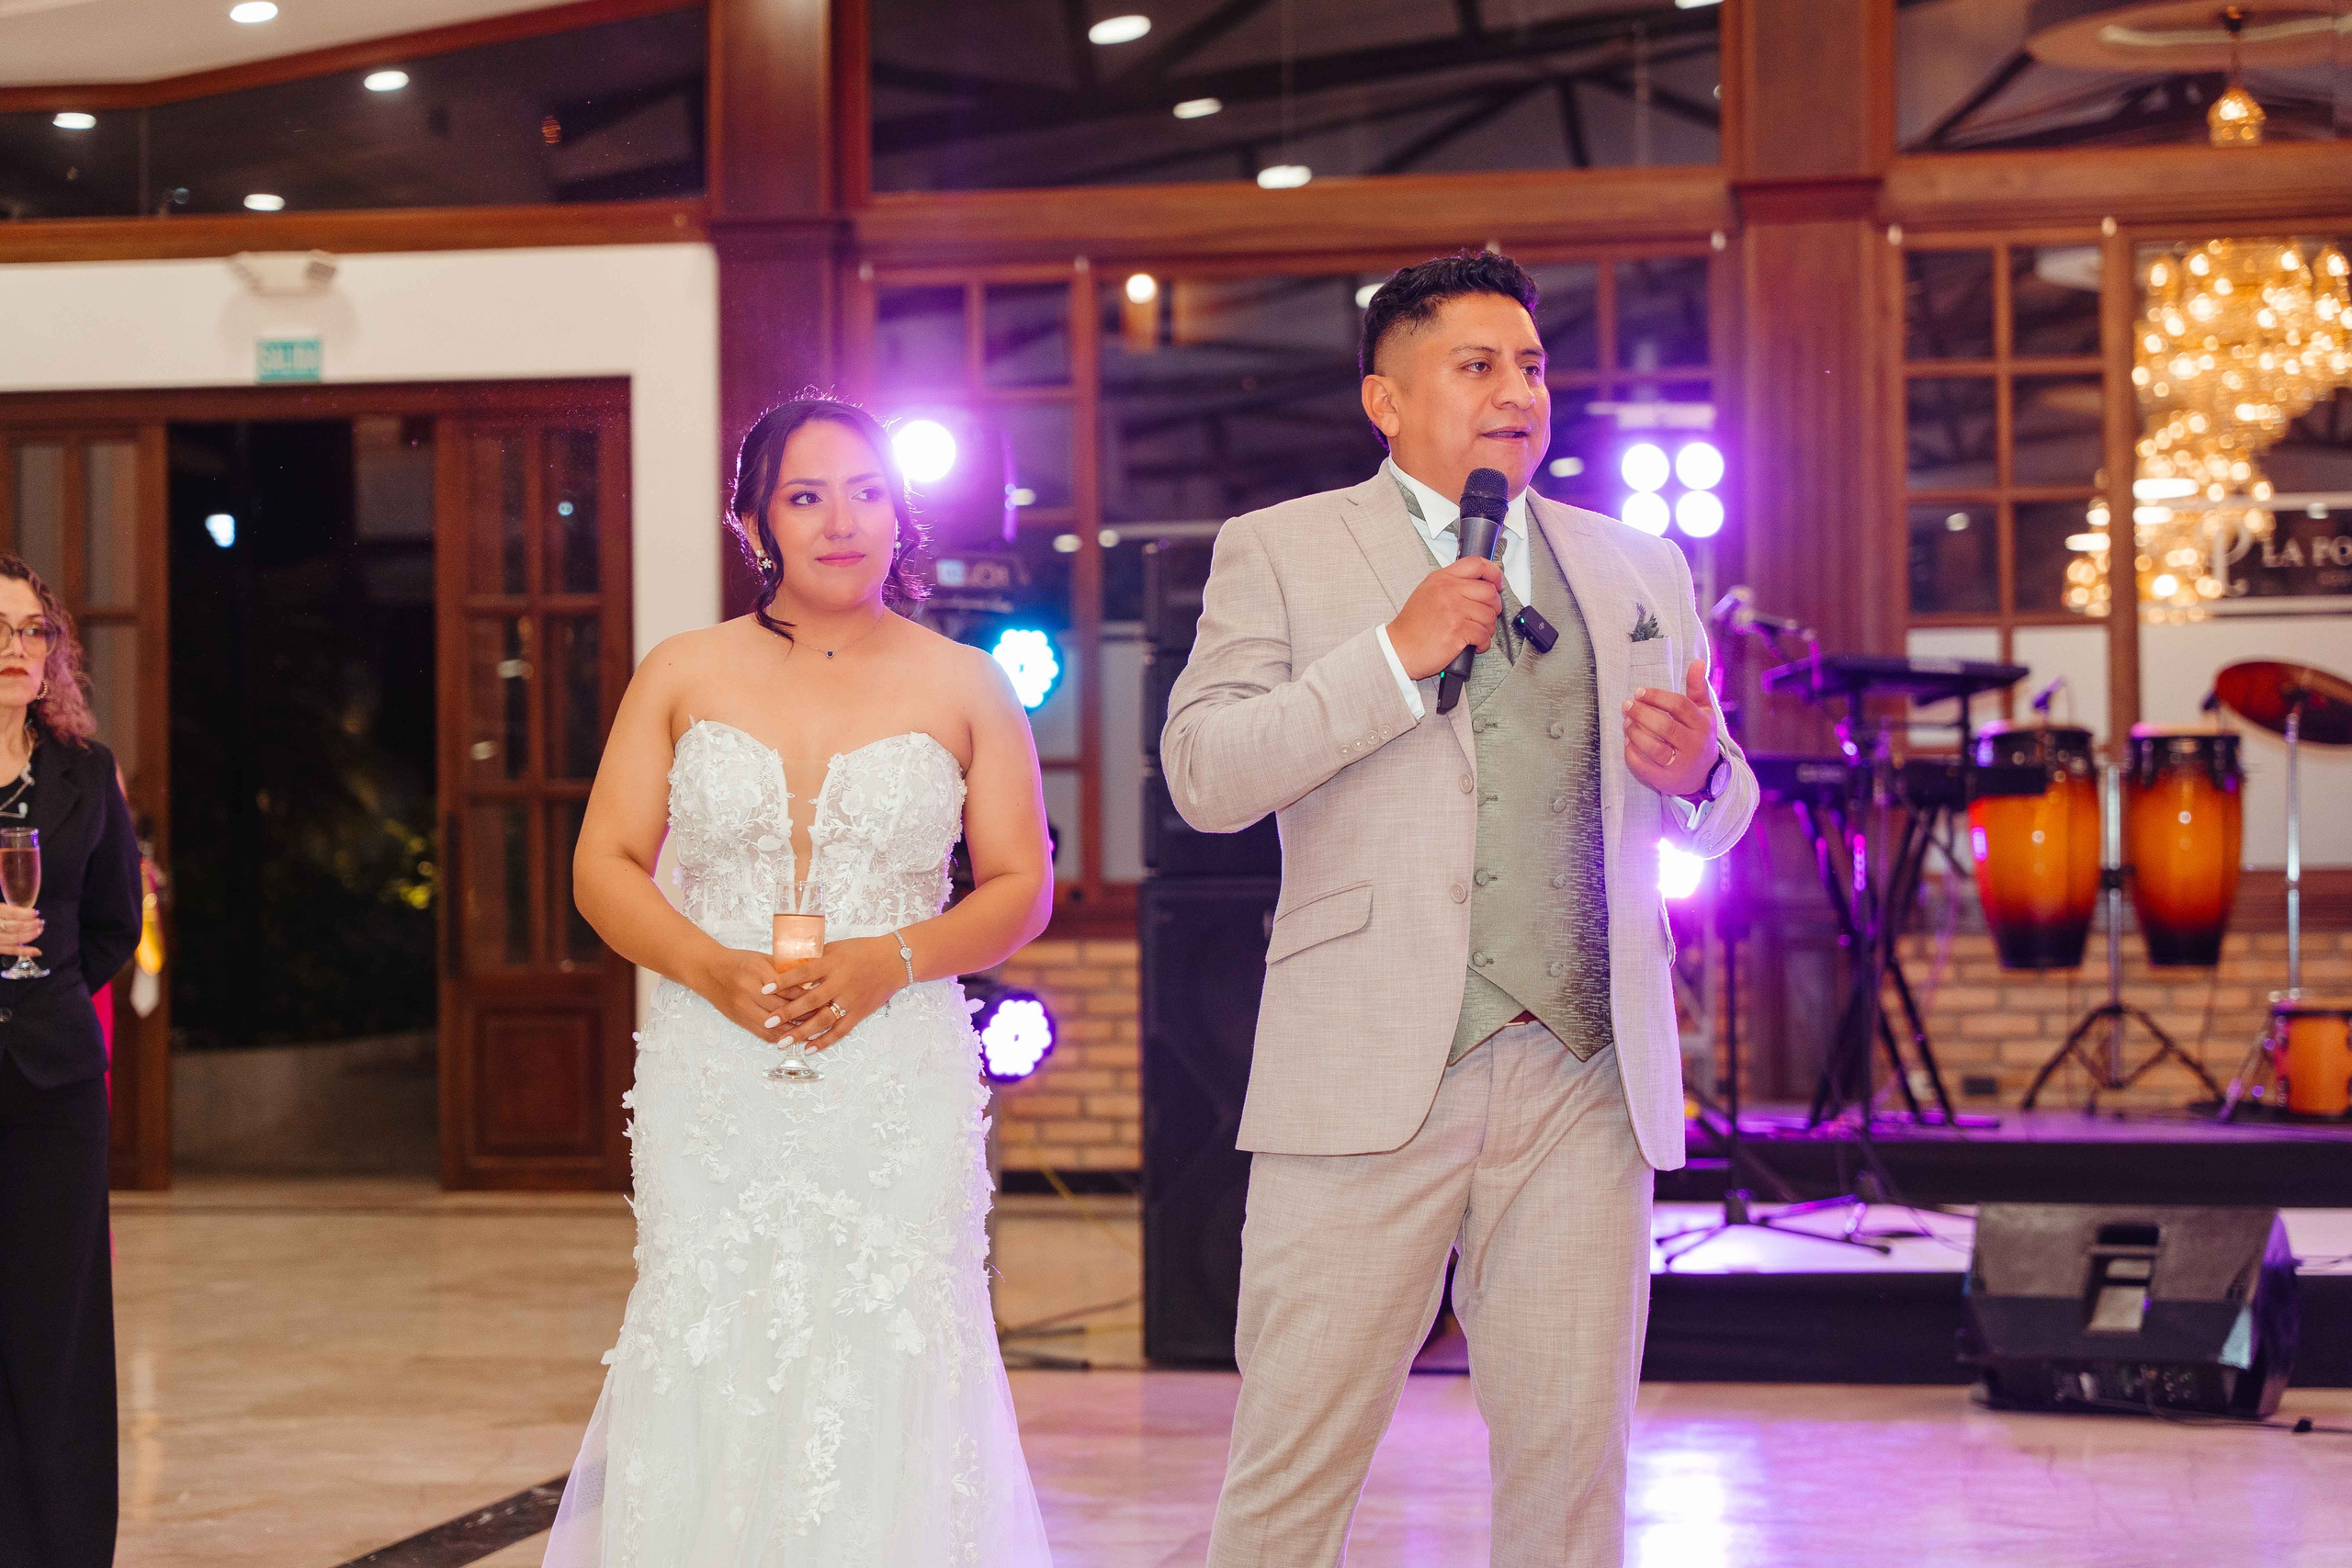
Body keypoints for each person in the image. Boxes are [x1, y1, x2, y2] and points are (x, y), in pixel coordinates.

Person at [1162, 252, 1758, 1568]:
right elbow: (1203, 774)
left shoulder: (1638, 563)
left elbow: (1721, 801)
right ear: (1386, 398)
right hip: (1365, 1072)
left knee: (1569, 1473)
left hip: (1584, 1076)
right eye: (1477, 364)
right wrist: (1393, 654)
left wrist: (1702, 771)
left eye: (1532, 365)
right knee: (1292, 1470)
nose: (1516, 392)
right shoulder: (1282, 549)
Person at [541, 396, 1057, 1565]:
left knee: (892, 1337)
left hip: (895, 1066)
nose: (841, 520)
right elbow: (603, 866)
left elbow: (1020, 884)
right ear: (754, 520)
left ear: (901, 512)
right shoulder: (682, 671)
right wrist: (706, 966)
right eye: (806, 495)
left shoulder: (968, 682)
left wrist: (896, 958)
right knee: (714, 1326)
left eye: (867, 491)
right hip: (714, 1062)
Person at [0, 557, 143, 1568]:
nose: (19, 649)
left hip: (50, 1083)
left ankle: (55, 1544)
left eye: (33, 631)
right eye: (1, 632)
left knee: (56, 1327)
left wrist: (38, 984)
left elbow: (112, 925)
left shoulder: (82, 771)